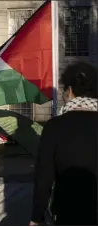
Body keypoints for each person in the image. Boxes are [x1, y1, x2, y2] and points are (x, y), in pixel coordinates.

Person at [30, 61, 97, 226]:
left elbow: (44, 178)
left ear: (70, 91)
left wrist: (36, 217)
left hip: (68, 211)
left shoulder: (55, 126)